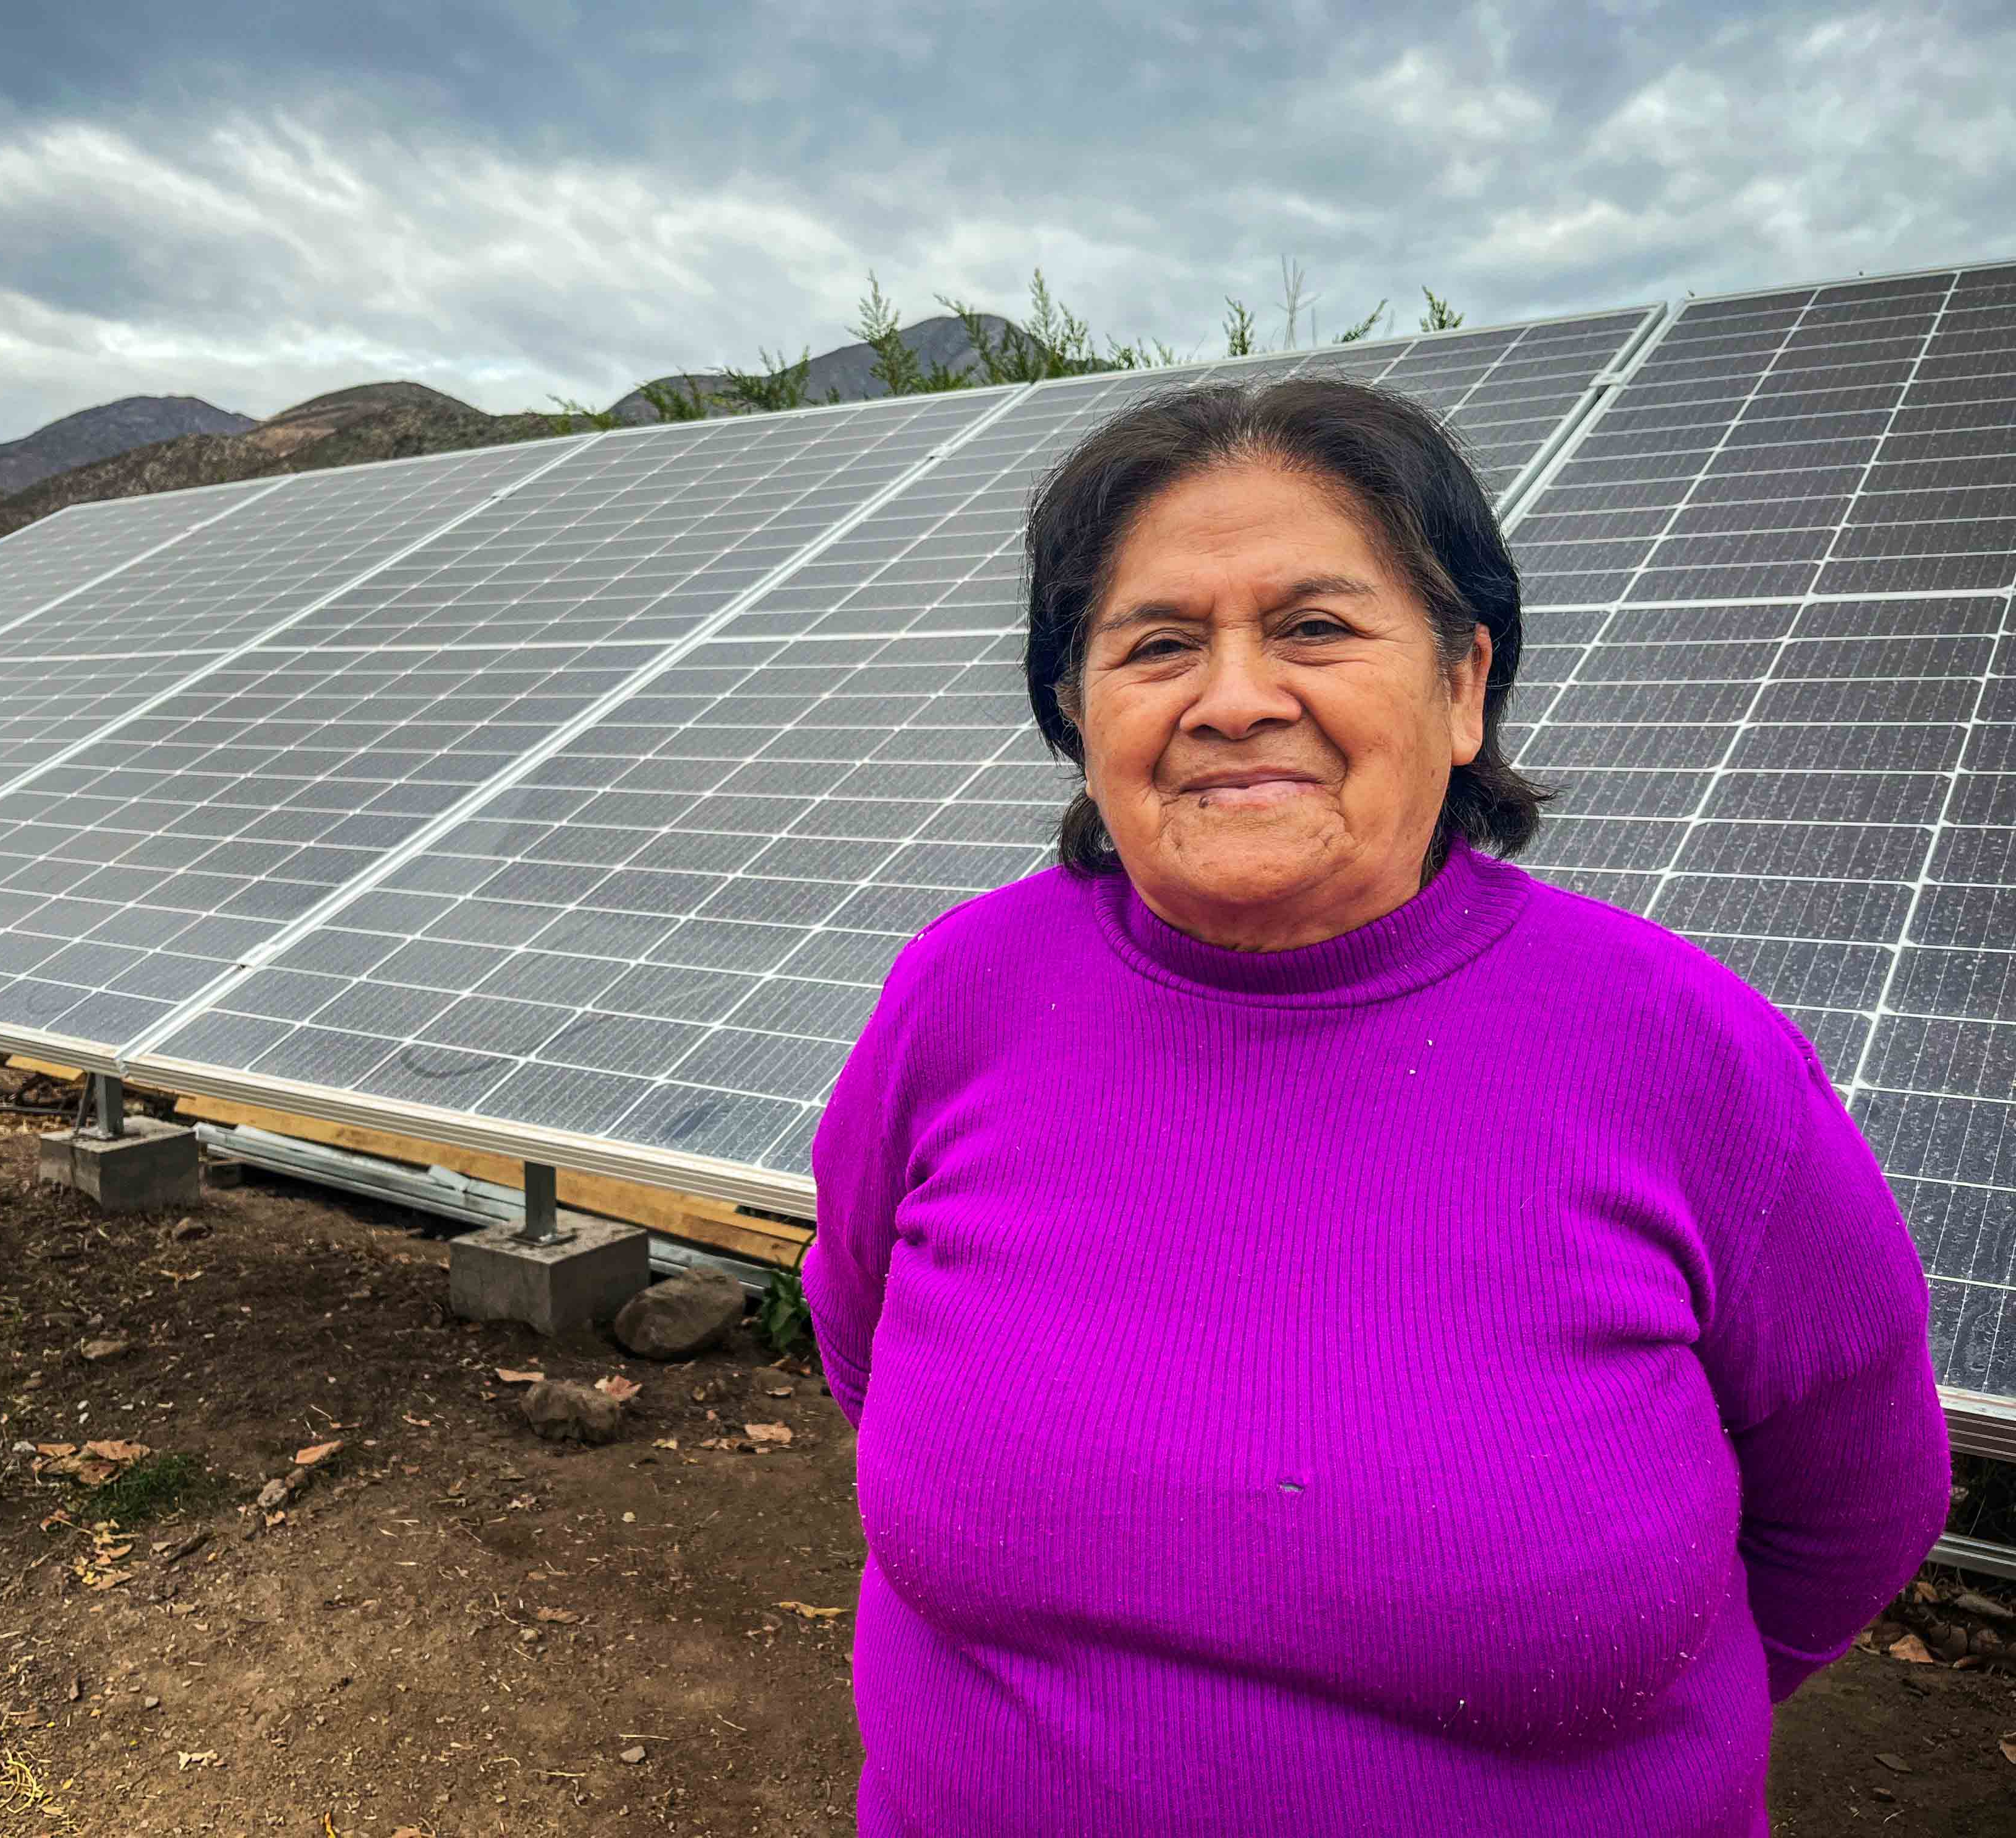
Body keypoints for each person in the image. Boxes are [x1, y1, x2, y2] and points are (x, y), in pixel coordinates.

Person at [804, 377, 1950, 1837]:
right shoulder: (964, 996)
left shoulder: (1688, 1057)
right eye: (1158, 645)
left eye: (1315, 629)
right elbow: (861, 1334)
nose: (1233, 699)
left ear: (1463, 688)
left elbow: (1853, 1506)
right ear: (1080, 712)